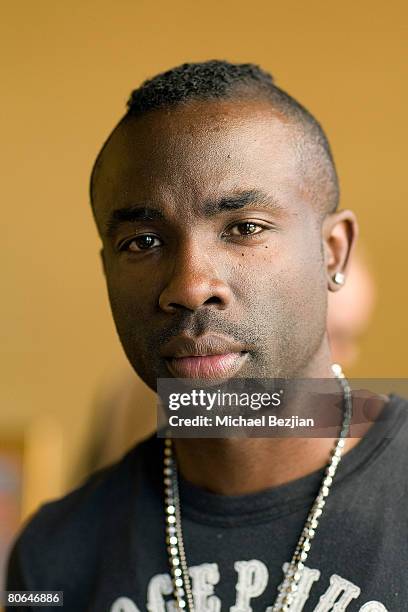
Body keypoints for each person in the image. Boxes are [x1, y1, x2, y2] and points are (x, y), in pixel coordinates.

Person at [6, 61, 407, 612]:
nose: (191, 286)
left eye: (244, 228)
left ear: (333, 251)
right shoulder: (54, 558)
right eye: (142, 242)